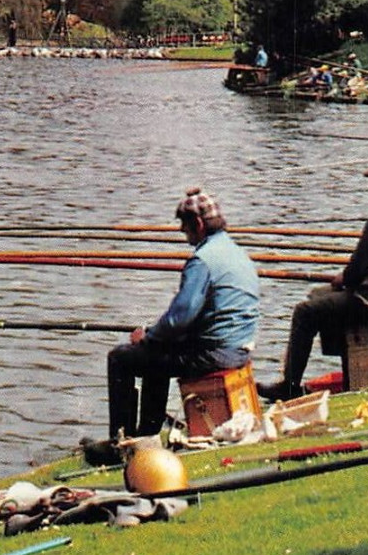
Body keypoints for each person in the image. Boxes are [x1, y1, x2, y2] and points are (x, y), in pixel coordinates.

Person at [95, 188, 260, 459]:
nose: (184, 234)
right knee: (156, 355)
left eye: (184, 227)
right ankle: (145, 435)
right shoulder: (236, 252)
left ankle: (119, 445)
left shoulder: (202, 260)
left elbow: (178, 319)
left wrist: (147, 338)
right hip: (239, 347)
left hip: (215, 353)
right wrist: (155, 339)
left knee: (122, 358)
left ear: (197, 224)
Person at [259, 159, 368, 402]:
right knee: (323, 298)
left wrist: (340, 280)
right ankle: (347, 370)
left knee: (306, 310)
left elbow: (355, 271)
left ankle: (290, 385)